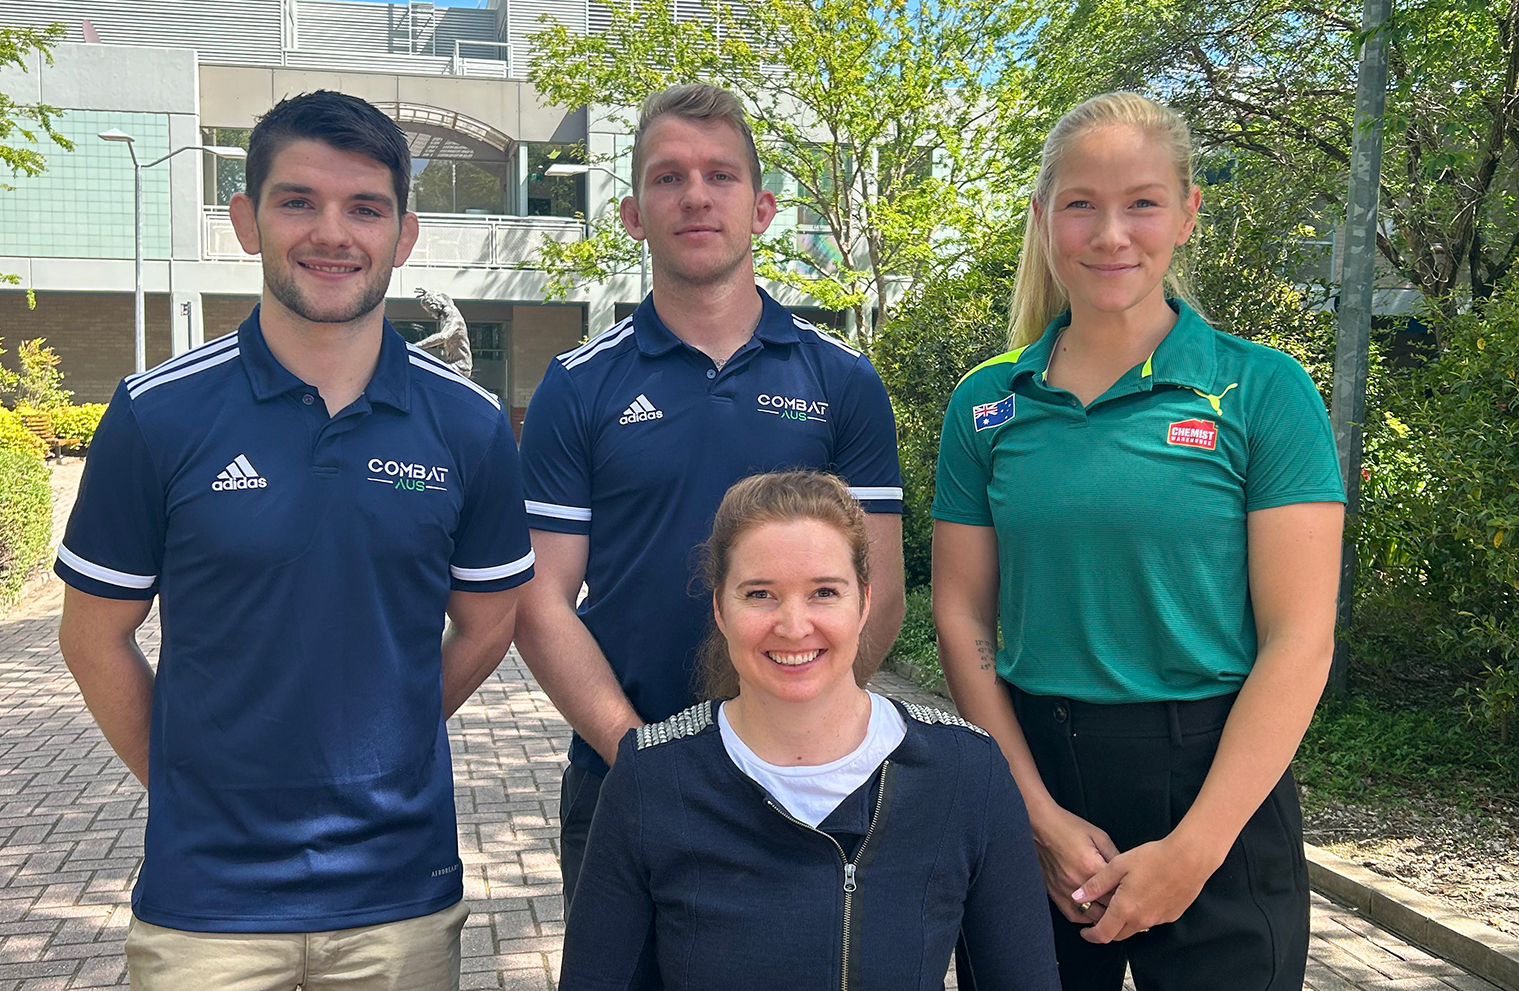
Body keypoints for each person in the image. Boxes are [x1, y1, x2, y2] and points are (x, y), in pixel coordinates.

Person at [54, 90, 534, 990]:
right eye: (297, 201)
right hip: (208, 907)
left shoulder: (470, 427)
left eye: (365, 208)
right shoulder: (156, 416)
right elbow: (92, 637)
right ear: (246, 221)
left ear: (404, 236)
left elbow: (488, 624)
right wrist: (189, 783)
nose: (333, 233)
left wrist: (390, 740)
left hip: (401, 896)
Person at [931, 92, 1346, 990]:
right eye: (1080, 204)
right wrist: (1033, 813)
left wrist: (1194, 850)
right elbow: (961, 613)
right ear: (1043, 221)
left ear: (1188, 213)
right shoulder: (987, 404)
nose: (1111, 233)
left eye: (1143, 203)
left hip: (1216, 784)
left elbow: (1300, 639)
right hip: (1036, 775)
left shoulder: (1264, 391)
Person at [517, 83, 906, 907]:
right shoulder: (578, 387)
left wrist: (795, 744)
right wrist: (643, 758)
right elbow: (541, 601)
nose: (695, 195)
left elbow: (884, 591)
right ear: (631, 213)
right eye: (668, 177)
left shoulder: (842, 382)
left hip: (810, 783)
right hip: (623, 774)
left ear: (762, 208)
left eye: (720, 176)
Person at [560, 471, 1061, 991]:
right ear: (720, 609)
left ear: (864, 602)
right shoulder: (651, 780)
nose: (794, 626)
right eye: (760, 594)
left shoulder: (966, 772)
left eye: (824, 591)